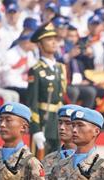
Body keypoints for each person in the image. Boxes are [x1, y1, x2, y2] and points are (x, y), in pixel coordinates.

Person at [26, 23, 64, 156]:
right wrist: (35, 129)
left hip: (57, 123)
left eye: (55, 39)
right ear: (40, 45)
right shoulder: (36, 70)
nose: (54, 42)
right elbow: (32, 102)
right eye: (48, 39)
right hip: (44, 121)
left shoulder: (60, 68)